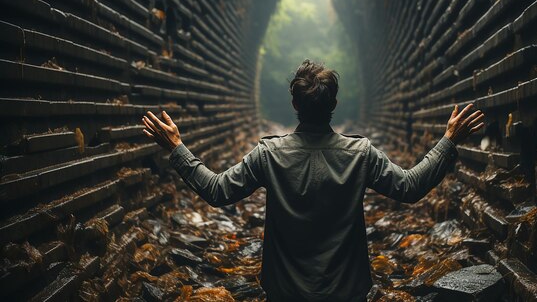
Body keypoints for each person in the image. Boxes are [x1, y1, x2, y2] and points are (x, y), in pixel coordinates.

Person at [142, 59, 484, 301]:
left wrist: (177, 147)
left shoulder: (269, 154)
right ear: (334, 103)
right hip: (346, 291)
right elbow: (409, 187)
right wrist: (448, 141)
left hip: (286, 292)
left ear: (295, 104)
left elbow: (217, 191)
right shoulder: (360, 153)